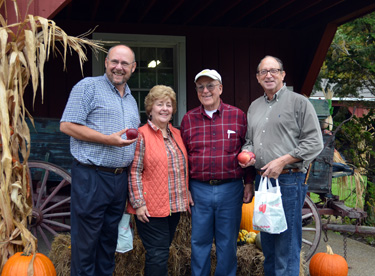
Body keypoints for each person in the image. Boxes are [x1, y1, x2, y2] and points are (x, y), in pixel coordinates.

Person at [60, 44, 140, 276]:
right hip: (92, 176)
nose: (118, 67)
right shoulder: (88, 87)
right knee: (86, 246)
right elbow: (67, 125)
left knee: (107, 245)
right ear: (106, 62)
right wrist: (107, 140)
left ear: (133, 68)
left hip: (118, 180)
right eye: (114, 61)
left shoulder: (131, 100)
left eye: (125, 63)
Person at [241, 55, 323, 276]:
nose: (268, 75)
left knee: (286, 246)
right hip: (262, 180)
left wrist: (284, 160)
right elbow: (249, 140)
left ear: (282, 75)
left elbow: (315, 142)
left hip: (288, 179)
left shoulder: (299, 102)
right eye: (263, 72)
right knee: (268, 243)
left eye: (273, 70)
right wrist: (247, 154)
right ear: (258, 78)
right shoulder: (254, 106)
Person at [180, 69, 255, 276]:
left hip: (230, 189)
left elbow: (247, 152)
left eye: (210, 85)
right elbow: (183, 158)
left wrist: (249, 183)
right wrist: (185, 188)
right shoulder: (189, 119)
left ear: (220, 88)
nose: (205, 91)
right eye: (201, 87)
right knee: (199, 241)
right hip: (199, 189)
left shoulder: (237, 116)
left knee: (227, 242)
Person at [127, 85, 191, 276]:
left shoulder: (177, 134)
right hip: (150, 208)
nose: (164, 109)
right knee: (157, 255)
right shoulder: (141, 135)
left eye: (169, 105)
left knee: (161, 252)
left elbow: (181, 168)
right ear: (150, 108)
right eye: (160, 104)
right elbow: (134, 171)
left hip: (174, 206)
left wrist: (186, 191)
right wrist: (138, 203)